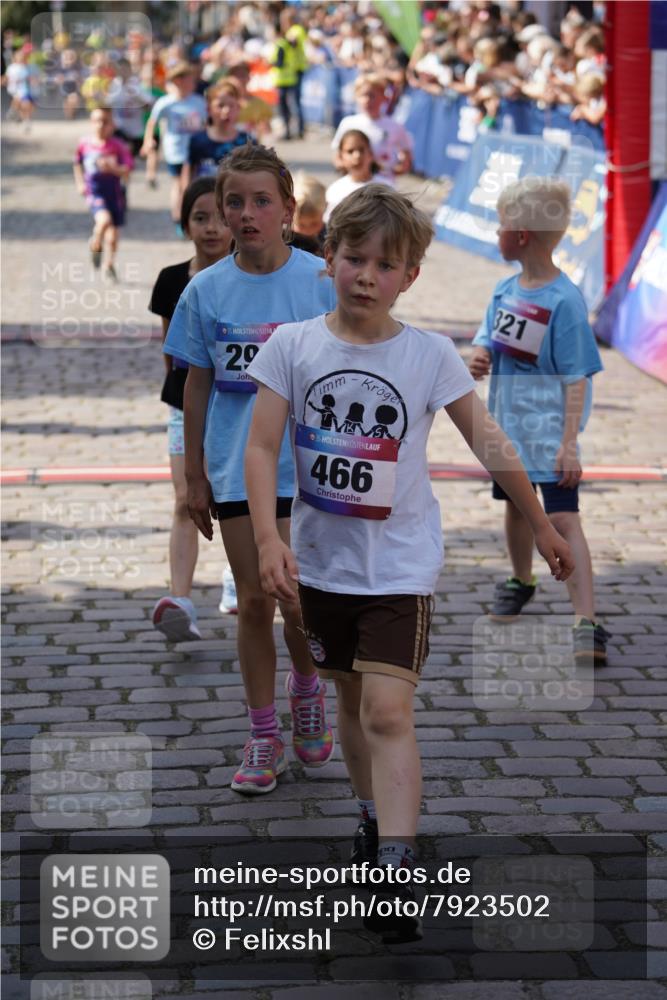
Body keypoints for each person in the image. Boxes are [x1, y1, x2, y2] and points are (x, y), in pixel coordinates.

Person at [244, 184, 574, 943]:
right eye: (353, 257)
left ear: (409, 277)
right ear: (327, 257)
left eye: (384, 265)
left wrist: (540, 524)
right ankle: (370, 817)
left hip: (399, 568)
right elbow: (260, 446)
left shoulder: (427, 355)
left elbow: (487, 441)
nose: (366, 275)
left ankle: (395, 863)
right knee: (354, 706)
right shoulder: (291, 346)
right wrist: (268, 538)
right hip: (321, 569)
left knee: (387, 711)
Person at [163, 143, 337, 794]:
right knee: (253, 602)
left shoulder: (320, 279)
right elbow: (196, 386)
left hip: (310, 467)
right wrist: (194, 479)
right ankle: (263, 735)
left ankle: (309, 689)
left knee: (299, 601)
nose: (245, 213)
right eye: (233, 202)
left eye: (261, 201)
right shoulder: (204, 291)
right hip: (237, 470)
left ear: (290, 210)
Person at [469, 176, 609, 663]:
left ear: (521, 234)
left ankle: (585, 620)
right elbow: (486, 339)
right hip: (507, 432)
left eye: (501, 224)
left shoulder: (566, 302)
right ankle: (521, 578)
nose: (496, 232)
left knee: (564, 518)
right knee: (515, 508)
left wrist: (570, 443)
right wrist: (478, 356)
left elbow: (578, 377)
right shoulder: (503, 290)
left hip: (550, 436)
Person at [150, 177, 234, 642]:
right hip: (185, 408)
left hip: (239, 409)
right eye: (200, 217)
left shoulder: (249, 281)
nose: (211, 228)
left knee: (238, 499)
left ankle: (237, 577)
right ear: (185, 225)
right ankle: (179, 598)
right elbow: (171, 352)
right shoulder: (171, 281)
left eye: (221, 217)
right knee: (185, 498)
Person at [140, 61, 207, 233]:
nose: (194, 84)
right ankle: (178, 218)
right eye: (191, 80)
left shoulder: (199, 101)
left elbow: (205, 124)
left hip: (196, 149)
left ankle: (192, 215)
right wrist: (148, 141)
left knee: (192, 184)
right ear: (178, 81)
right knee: (178, 184)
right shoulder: (165, 102)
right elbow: (152, 122)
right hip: (175, 150)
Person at [73, 106, 133, 282]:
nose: (100, 125)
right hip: (95, 193)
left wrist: (113, 168)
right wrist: (80, 183)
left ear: (112, 125)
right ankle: (95, 244)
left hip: (114, 194)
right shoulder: (84, 144)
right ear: (91, 123)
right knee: (103, 221)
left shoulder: (118, 147)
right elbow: (77, 163)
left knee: (113, 237)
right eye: (96, 121)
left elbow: (127, 169)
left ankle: (109, 264)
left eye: (105, 121)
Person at [331, 73, 413, 179]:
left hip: (383, 187)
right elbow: (337, 155)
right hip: (356, 186)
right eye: (362, 95)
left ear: (384, 97)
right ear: (356, 97)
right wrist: (350, 169)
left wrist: (395, 171)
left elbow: (406, 154)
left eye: (372, 95)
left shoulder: (394, 126)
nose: (367, 100)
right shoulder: (348, 123)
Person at [181, 79, 253, 187]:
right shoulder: (198, 141)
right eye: (220, 106)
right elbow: (188, 175)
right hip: (206, 200)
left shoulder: (247, 142)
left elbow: (254, 177)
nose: (226, 110)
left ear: (238, 108)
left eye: (231, 105)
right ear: (209, 109)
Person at [324, 129, 393, 224]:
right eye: (350, 151)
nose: (357, 155)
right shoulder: (335, 191)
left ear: (371, 154)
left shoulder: (387, 187)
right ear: (340, 157)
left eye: (361, 150)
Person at [290, 172, 326, 256]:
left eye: (314, 224)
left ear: (325, 209)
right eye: (301, 225)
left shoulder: (329, 236)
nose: (308, 230)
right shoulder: (285, 241)